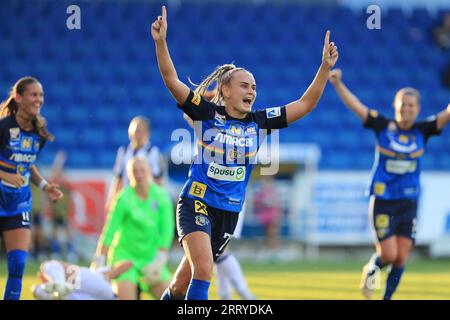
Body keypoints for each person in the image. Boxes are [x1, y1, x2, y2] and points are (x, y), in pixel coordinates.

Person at [152, 5, 338, 300]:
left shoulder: (260, 121)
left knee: (181, 283)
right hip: (196, 201)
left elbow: (305, 104)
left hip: (228, 211)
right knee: (204, 271)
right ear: (225, 90)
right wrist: (161, 43)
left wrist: (324, 69)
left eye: (254, 87)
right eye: (244, 85)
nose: (251, 91)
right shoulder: (205, 113)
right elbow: (171, 80)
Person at [328, 68, 450, 300]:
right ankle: (372, 268)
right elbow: (357, 107)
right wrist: (337, 84)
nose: (406, 109)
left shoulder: (423, 131)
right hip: (383, 200)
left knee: (402, 257)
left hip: (409, 201)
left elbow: (447, 113)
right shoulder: (383, 126)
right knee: (389, 254)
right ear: (395, 105)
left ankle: (386, 298)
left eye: (411, 105)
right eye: (403, 104)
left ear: (418, 109)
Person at [0, 76, 63, 300]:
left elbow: (28, 163)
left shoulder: (39, 133)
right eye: (33, 95)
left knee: (17, 264)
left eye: (41, 95)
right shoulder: (4, 128)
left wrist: (45, 185)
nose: (39, 99)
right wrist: (5, 173)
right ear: (18, 98)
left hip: (18, 203)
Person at [92, 156, 174, 300]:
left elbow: (167, 228)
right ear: (129, 175)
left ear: (149, 171)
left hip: (151, 258)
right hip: (124, 259)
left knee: (174, 296)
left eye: (142, 170)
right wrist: (99, 258)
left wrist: (161, 257)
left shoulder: (161, 196)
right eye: (134, 171)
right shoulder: (122, 198)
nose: (139, 174)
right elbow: (109, 230)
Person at [105, 116, 164, 213]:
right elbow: (118, 178)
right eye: (136, 131)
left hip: (146, 200)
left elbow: (158, 180)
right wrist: (112, 200)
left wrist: (160, 201)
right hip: (128, 199)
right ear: (130, 133)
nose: (139, 135)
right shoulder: (123, 152)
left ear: (148, 133)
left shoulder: (153, 152)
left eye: (142, 131)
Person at [32, 259, 133, 300]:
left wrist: (108, 275)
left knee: (48, 265)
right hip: (76, 293)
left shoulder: (99, 272)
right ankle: (57, 290)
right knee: (36, 290)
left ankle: (58, 286)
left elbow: (128, 264)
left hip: (85, 281)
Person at [253, 175, 281, 254]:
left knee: (272, 233)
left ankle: (273, 250)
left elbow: (277, 203)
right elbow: (256, 204)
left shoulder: (273, 191)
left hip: (272, 216)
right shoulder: (260, 192)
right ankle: (269, 250)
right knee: (266, 235)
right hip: (263, 217)